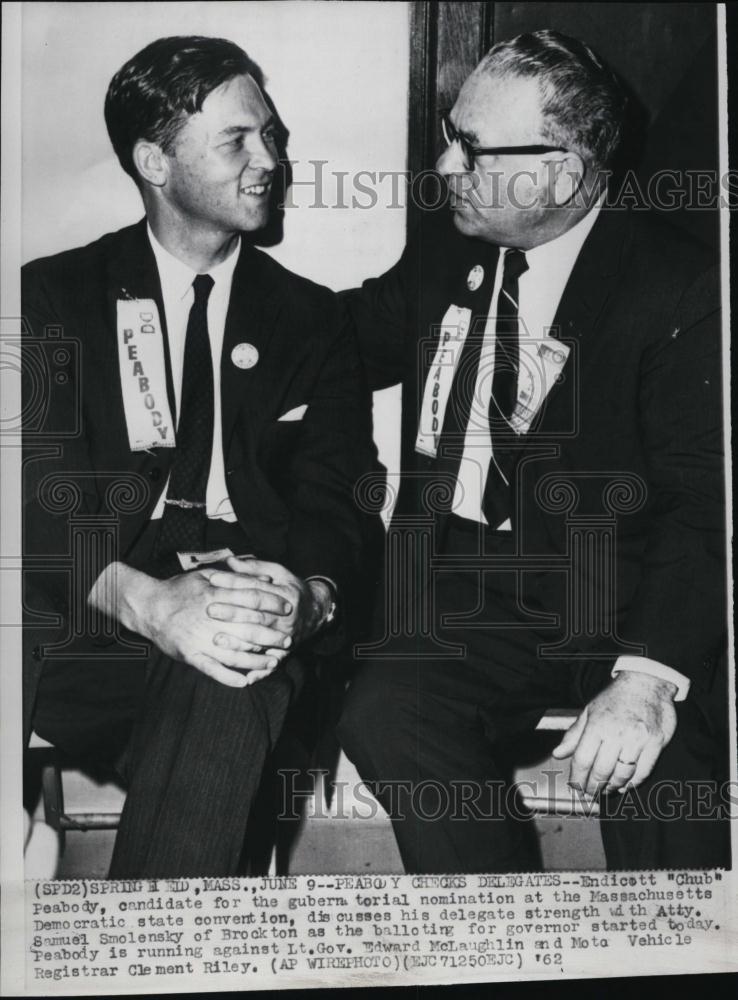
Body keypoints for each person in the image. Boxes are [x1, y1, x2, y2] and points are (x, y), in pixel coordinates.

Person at [338, 30, 728, 872]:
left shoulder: (683, 289)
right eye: (452, 134)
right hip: (476, 602)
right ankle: (492, 939)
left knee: (668, 771)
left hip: (632, 602)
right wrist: (215, 287)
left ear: (559, 171)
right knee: (387, 708)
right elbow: (336, 341)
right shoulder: (451, 251)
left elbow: (706, 509)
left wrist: (647, 681)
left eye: (472, 148)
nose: (445, 166)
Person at [22, 35, 373, 878]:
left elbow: (341, 495)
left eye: (273, 136)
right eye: (238, 140)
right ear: (154, 160)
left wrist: (310, 597)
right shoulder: (50, 297)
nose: (271, 161)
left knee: (235, 671)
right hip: (90, 610)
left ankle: (141, 956)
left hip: (250, 600)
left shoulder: (312, 322)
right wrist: (147, 603)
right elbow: (35, 491)